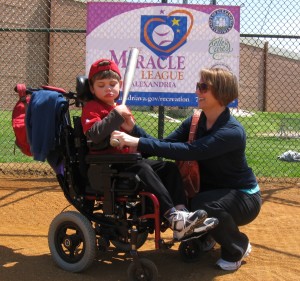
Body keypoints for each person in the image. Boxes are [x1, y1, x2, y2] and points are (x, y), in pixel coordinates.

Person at [110, 67, 262, 271]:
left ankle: (237, 247)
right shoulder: (196, 121)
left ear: (221, 91)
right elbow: (164, 145)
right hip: (212, 190)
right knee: (180, 199)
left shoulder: (232, 132)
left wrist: (136, 141)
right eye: (198, 86)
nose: (197, 91)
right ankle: (209, 236)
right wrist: (133, 130)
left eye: (203, 87)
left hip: (243, 197)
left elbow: (192, 151)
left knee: (202, 204)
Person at [81, 58, 215, 240]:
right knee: (143, 168)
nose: (108, 89)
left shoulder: (120, 108)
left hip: (129, 161)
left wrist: (131, 129)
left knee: (168, 168)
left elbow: (140, 144)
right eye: (101, 85)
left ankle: (182, 215)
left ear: (120, 85)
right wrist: (115, 116)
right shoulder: (92, 107)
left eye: (113, 84)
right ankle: (173, 217)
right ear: (91, 88)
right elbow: (94, 135)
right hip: (108, 166)